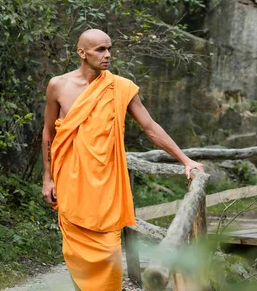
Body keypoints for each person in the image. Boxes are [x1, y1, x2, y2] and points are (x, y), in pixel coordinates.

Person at [41, 29, 204, 290]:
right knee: (75, 255)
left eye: (109, 49)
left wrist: (185, 160)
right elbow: (48, 131)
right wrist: (48, 177)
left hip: (106, 186)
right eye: (100, 50)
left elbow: (150, 127)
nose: (108, 55)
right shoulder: (58, 85)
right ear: (81, 53)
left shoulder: (122, 87)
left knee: (108, 253)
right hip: (71, 181)